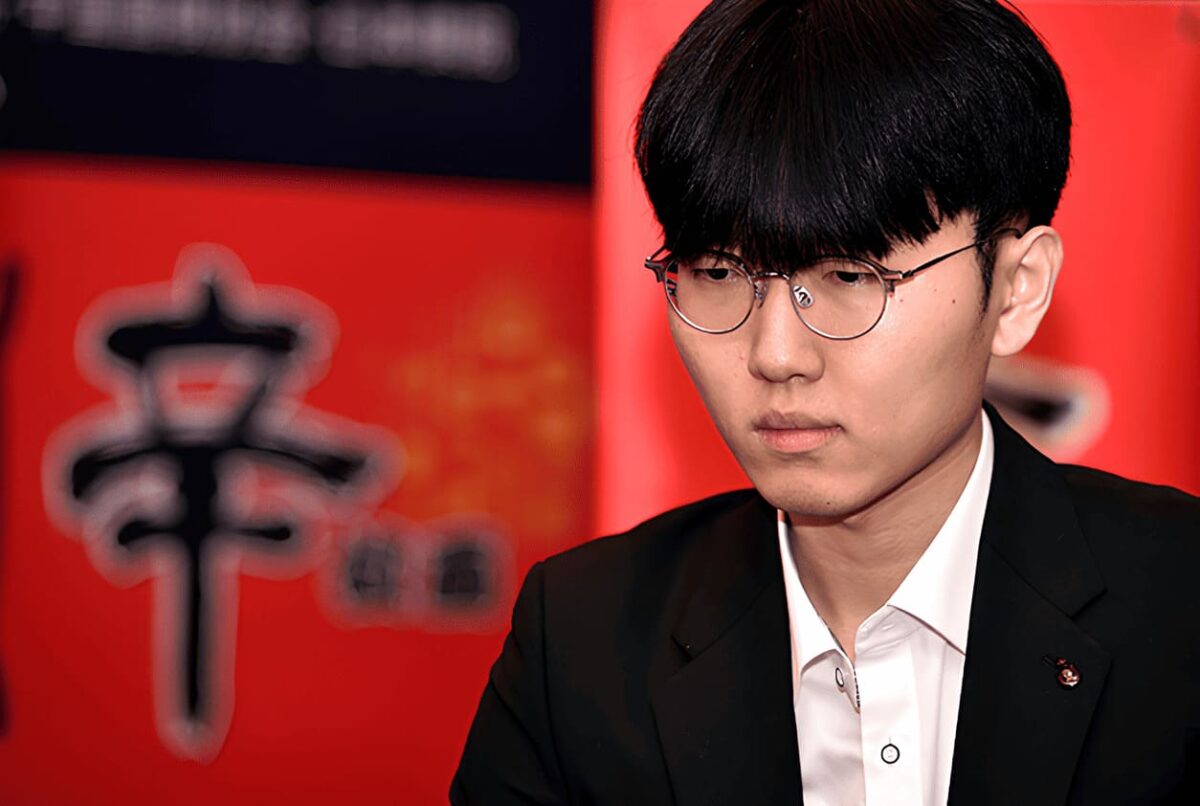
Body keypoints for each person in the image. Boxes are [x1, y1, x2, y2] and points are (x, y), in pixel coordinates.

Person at [451, 1, 1200, 803]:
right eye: (718, 273)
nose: (775, 355)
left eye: (849, 278)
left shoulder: (1181, 610)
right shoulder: (582, 643)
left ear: (1017, 290)